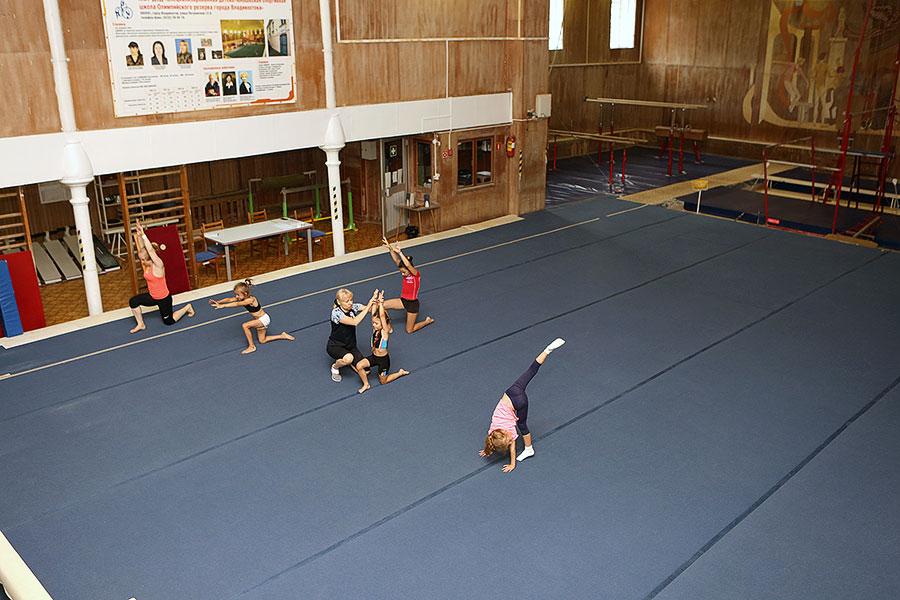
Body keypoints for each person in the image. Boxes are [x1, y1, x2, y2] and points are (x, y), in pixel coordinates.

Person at [479, 338, 565, 473]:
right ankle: (547, 350)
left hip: (520, 402)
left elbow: (512, 448)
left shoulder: (510, 432)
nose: (511, 441)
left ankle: (529, 449)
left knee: (523, 426)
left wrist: (512, 464)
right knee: (531, 371)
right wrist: (487, 450)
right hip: (512, 392)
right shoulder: (492, 431)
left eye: (508, 441)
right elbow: (491, 442)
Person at [128, 220, 194, 333]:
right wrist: (138, 235)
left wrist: (143, 234)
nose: (142, 261)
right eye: (141, 259)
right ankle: (141, 324)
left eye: (143, 259)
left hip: (164, 298)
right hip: (152, 297)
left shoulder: (158, 265)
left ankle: (187, 307)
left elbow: (149, 250)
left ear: (149, 258)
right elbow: (142, 249)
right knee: (133, 301)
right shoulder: (146, 265)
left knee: (169, 321)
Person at [209, 279, 294, 354]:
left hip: (263, 319)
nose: (236, 297)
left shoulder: (250, 300)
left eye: (238, 295)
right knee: (262, 340)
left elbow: (237, 304)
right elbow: (229, 299)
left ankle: (252, 346)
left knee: (245, 325)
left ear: (245, 293)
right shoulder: (242, 298)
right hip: (260, 321)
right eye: (236, 294)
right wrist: (218, 302)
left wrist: (223, 306)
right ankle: (283, 335)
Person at [354, 291, 409, 394]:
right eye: (373, 323)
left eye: (376, 323)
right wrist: (374, 299)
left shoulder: (385, 332)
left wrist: (381, 304)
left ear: (383, 324)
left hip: (383, 360)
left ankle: (400, 373)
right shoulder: (375, 330)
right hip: (374, 357)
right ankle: (366, 384)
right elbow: (373, 314)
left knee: (383, 381)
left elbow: (382, 316)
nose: (374, 325)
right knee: (359, 366)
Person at [381, 237, 434, 334]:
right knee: (382, 305)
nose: (402, 274)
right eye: (401, 272)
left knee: (409, 330)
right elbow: (397, 260)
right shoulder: (405, 272)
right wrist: (390, 248)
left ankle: (427, 321)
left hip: (412, 304)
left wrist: (400, 252)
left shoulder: (416, 275)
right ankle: (388, 326)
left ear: (409, 270)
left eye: (404, 272)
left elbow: (408, 265)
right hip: (403, 301)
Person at [327, 288, 377, 382]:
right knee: (349, 358)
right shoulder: (336, 313)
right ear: (339, 302)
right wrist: (369, 304)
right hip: (336, 346)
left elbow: (370, 309)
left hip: (350, 346)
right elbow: (354, 322)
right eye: (347, 301)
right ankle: (335, 367)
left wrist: (375, 301)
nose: (350, 303)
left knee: (366, 371)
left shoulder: (353, 307)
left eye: (351, 300)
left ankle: (349, 360)